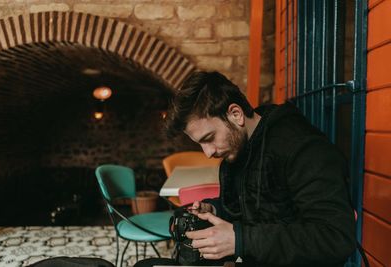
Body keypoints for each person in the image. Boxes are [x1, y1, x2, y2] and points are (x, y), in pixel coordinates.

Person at [135, 71, 356, 267]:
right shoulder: (238, 151)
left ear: (236, 114)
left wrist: (240, 240)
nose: (208, 153)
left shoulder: (303, 148)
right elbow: (251, 209)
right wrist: (215, 210)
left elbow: (335, 238)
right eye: (200, 144)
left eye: (209, 138)